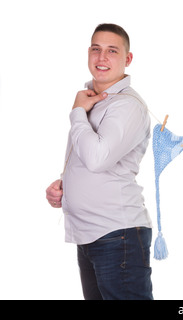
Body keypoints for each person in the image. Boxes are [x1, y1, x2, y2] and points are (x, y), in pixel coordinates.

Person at [45, 23, 153, 300]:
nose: (101, 58)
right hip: (91, 234)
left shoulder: (126, 105)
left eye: (111, 51)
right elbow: (91, 158)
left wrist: (78, 112)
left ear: (127, 59)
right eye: (96, 49)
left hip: (118, 236)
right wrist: (65, 185)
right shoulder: (94, 100)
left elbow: (96, 158)